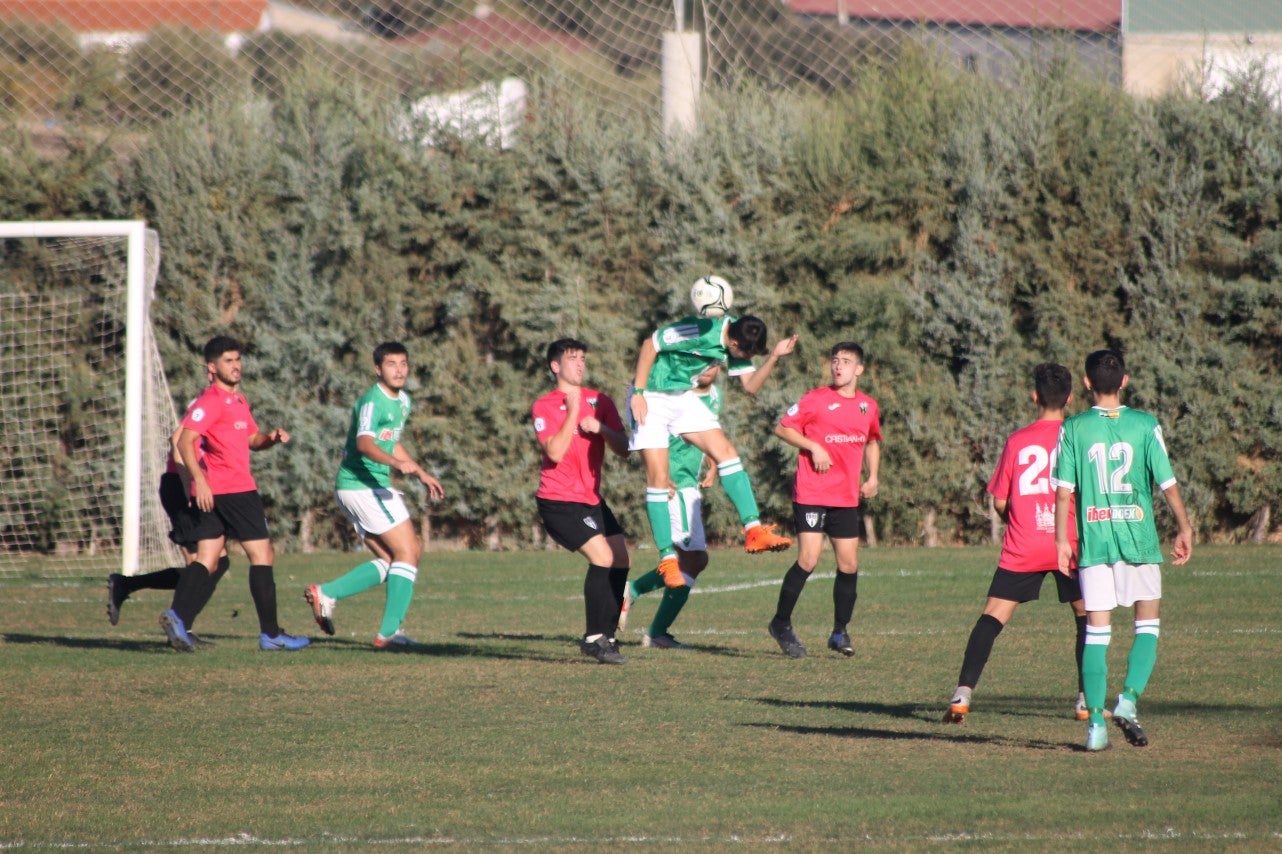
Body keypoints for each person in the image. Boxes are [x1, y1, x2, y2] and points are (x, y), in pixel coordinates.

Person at [1052, 349, 1193, 752]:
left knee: (1097, 633)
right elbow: (1167, 484)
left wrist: (1062, 540)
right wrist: (1184, 526)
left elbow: (1064, 492)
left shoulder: (1074, 428)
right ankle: (1128, 700)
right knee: (1147, 625)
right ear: (1125, 381)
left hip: (1096, 543)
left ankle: (1096, 725)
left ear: (1086, 384)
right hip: (1140, 541)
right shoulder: (1146, 426)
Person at [943, 363, 1089, 724]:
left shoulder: (1017, 441)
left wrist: (1021, 518)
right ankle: (1086, 699)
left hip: (1024, 543)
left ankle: (962, 693)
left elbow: (999, 501)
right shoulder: (1080, 439)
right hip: (1069, 545)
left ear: (1034, 396)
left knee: (992, 616)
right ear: (1070, 398)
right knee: (1086, 617)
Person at [629, 297, 797, 588]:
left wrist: (774, 357)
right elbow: (650, 344)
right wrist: (638, 392)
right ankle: (667, 559)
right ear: (734, 345)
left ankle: (754, 530)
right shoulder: (699, 329)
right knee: (657, 479)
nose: (749, 358)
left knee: (727, 453)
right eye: (748, 354)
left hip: (682, 396)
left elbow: (751, 386)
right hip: (653, 395)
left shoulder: (738, 336)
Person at [158, 335, 309, 652]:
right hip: (235, 491)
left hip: (220, 493)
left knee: (208, 558)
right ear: (212, 367)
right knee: (262, 556)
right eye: (228, 360)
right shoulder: (211, 401)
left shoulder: (238, 401)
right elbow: (184, 441)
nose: (236, 365)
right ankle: (271, 634)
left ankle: (178, 618)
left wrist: (271, 438)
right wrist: (200, 480)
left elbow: (252, 439)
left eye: (238, 359)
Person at [304, 342, 445, 649]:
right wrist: (397, 465)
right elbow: (366, 443)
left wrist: (420, 472)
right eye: (392, 364)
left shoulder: (403, 401)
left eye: (404, 364)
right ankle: (389, 634)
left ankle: (327, 593)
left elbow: (390, 441)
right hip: (363, 485)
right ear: (378, 369)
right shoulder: (373, 402)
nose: (399, 370)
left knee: (392, 559)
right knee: (410, 552)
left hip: (366, 487)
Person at [766, 342, 881, 659]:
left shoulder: (868, 407)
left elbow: (871, 440)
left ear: (859, 369)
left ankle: (840, 631)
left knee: (849, 563)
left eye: (846, 361)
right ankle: (781, 623)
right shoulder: (815, 399)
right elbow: (782, 428)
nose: (838, 366)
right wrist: (813, 446)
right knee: (809, 560)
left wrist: (872, 477)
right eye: (835, 360)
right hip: (813, 493)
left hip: (845, 496)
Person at [532, 338, 631, 664]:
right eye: (572, 358)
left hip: (590, 499)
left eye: (582, 358)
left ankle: (610, 636)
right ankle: (592, 638)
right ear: (555, 365)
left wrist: (601, 427)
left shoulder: (599, 400)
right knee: (601, 556)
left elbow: (624, 447)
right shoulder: (544, 405)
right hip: (558, 502)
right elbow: (555, 452)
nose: (580, 364)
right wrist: (573, 412)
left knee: (620, 558)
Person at [107, 421, 229, 645]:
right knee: (201, 564)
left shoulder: (226, 405)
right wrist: (188, 487)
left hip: (193, 487)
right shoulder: (205, 404)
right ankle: (180, 628)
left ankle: (130, 587)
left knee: (216, 563)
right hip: (183, 487)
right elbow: (177, 440)